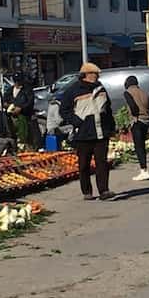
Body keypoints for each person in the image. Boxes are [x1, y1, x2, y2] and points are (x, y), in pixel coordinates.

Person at [60, 62, 116, 200]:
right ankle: (87, 192)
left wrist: (111, 127)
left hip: (101, 132)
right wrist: (77, 122)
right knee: (84, 165)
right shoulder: (73, 90)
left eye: (97, 74)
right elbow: (64, 110)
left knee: (102, 163)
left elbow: (107, 109)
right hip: (83, 134)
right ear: (86, 75)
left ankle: (104, 190)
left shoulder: (101, 88)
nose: (97, 76)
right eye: (94, 74)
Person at [123, 75, 149, 181]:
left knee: (139, 147)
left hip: (137, 121)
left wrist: (134, 116)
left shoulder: (128, 93)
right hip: (146, 121)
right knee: (142, 146)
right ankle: (144, 169)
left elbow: (132, 105)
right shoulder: (143, 92)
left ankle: (144, 170)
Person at [6, 75, 35, 151]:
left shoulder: (27, 90)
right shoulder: (10, 90)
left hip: (24, 116)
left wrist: (21, 108)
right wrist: (8, 106)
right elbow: (5, 100)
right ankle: (15, 148)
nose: (17, 84)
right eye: (16, 82)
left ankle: (27, 148)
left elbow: (30, 102)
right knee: (13, 132)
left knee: (25, 133)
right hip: (12, 116)